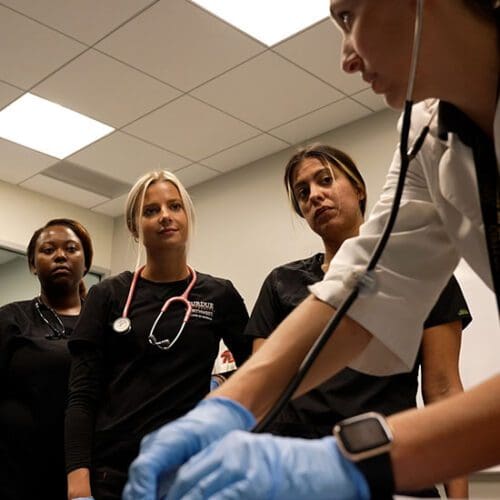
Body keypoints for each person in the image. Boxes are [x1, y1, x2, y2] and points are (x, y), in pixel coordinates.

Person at [123, 1, 499, 498]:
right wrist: (225, 408)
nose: (346, 56)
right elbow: (364, 285)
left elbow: (441, 384)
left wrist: (351, 463)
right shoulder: (427, 136)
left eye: (348, 17)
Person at [245, 144, 470, 497]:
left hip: (393, 460)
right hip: (303, 471)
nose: (315, 196)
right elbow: (264, 386)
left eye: (325, 180)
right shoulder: (281, 283)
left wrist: (459, 496)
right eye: (303, 193)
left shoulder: (416, 271)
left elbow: (442, 389)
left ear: (359, 188)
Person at [65, 170, 252, 500]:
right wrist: (78, 486)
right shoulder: (107, 295)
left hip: (189, 469)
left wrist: (222, 389)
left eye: (174, 206)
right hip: (114, 470)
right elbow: (81, 396)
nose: (165, 216)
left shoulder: (219, 295)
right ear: (135, 228)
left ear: (187, 216)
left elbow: (259, 369)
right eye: (151, 211)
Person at [0, 219, 93, 500]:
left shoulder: (106, 324)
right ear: (32, 264)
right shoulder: (10, 319)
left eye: (71, 249)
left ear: (86, 263)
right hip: (17, 476)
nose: (60, 255)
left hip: (86, 476)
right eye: (48, 249)